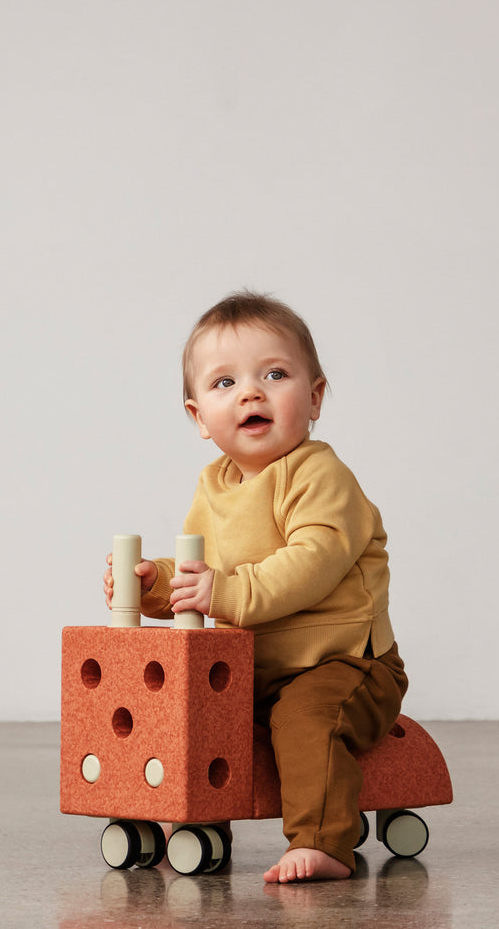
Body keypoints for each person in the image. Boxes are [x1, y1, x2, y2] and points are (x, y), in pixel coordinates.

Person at [103, 290, 408, 882]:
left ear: (314, 397)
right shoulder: (214, 485)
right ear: (199, 417)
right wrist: (151, 584)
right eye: (225, 383)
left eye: (274, 374)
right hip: (253, 668)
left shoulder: (321, 475)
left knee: (307, 719)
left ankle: (323, 842)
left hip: (344, 663)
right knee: (193, 713)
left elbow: (312, 562)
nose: (250, 393)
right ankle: (192, 818)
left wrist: (225, 594)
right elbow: (201, 570)